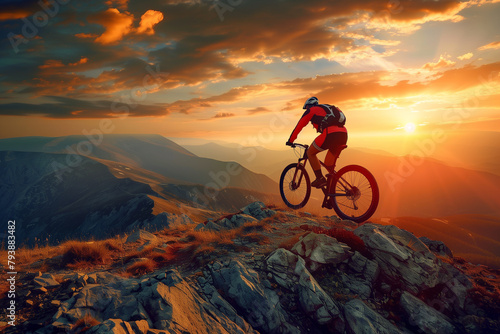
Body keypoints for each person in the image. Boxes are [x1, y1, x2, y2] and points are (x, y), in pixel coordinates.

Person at [286, 97, 347, 188]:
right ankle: (331, 197)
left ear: (309, 106)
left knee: (310, 152)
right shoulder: (327, 109)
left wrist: (290, 141)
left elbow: (300, 125)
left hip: (330, 134)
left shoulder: (311, 110)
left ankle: (320, 178)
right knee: (328, 166)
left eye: (306, 108)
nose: (306, 110)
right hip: (343, 134)